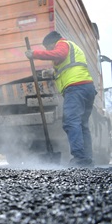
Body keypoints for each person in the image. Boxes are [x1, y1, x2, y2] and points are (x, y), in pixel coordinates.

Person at [25, 30, 96, 167]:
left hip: (76, 88)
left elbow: (59, 53)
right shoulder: (72, 48)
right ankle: (87, 159)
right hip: (86, 88)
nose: (49, 51)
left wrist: (35, 54)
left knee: (71, 122)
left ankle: (80, 158)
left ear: (52, 43)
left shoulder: (63, 44)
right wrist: (53, 72)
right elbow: (67, 65)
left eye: (48, 48)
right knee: (82, 125)